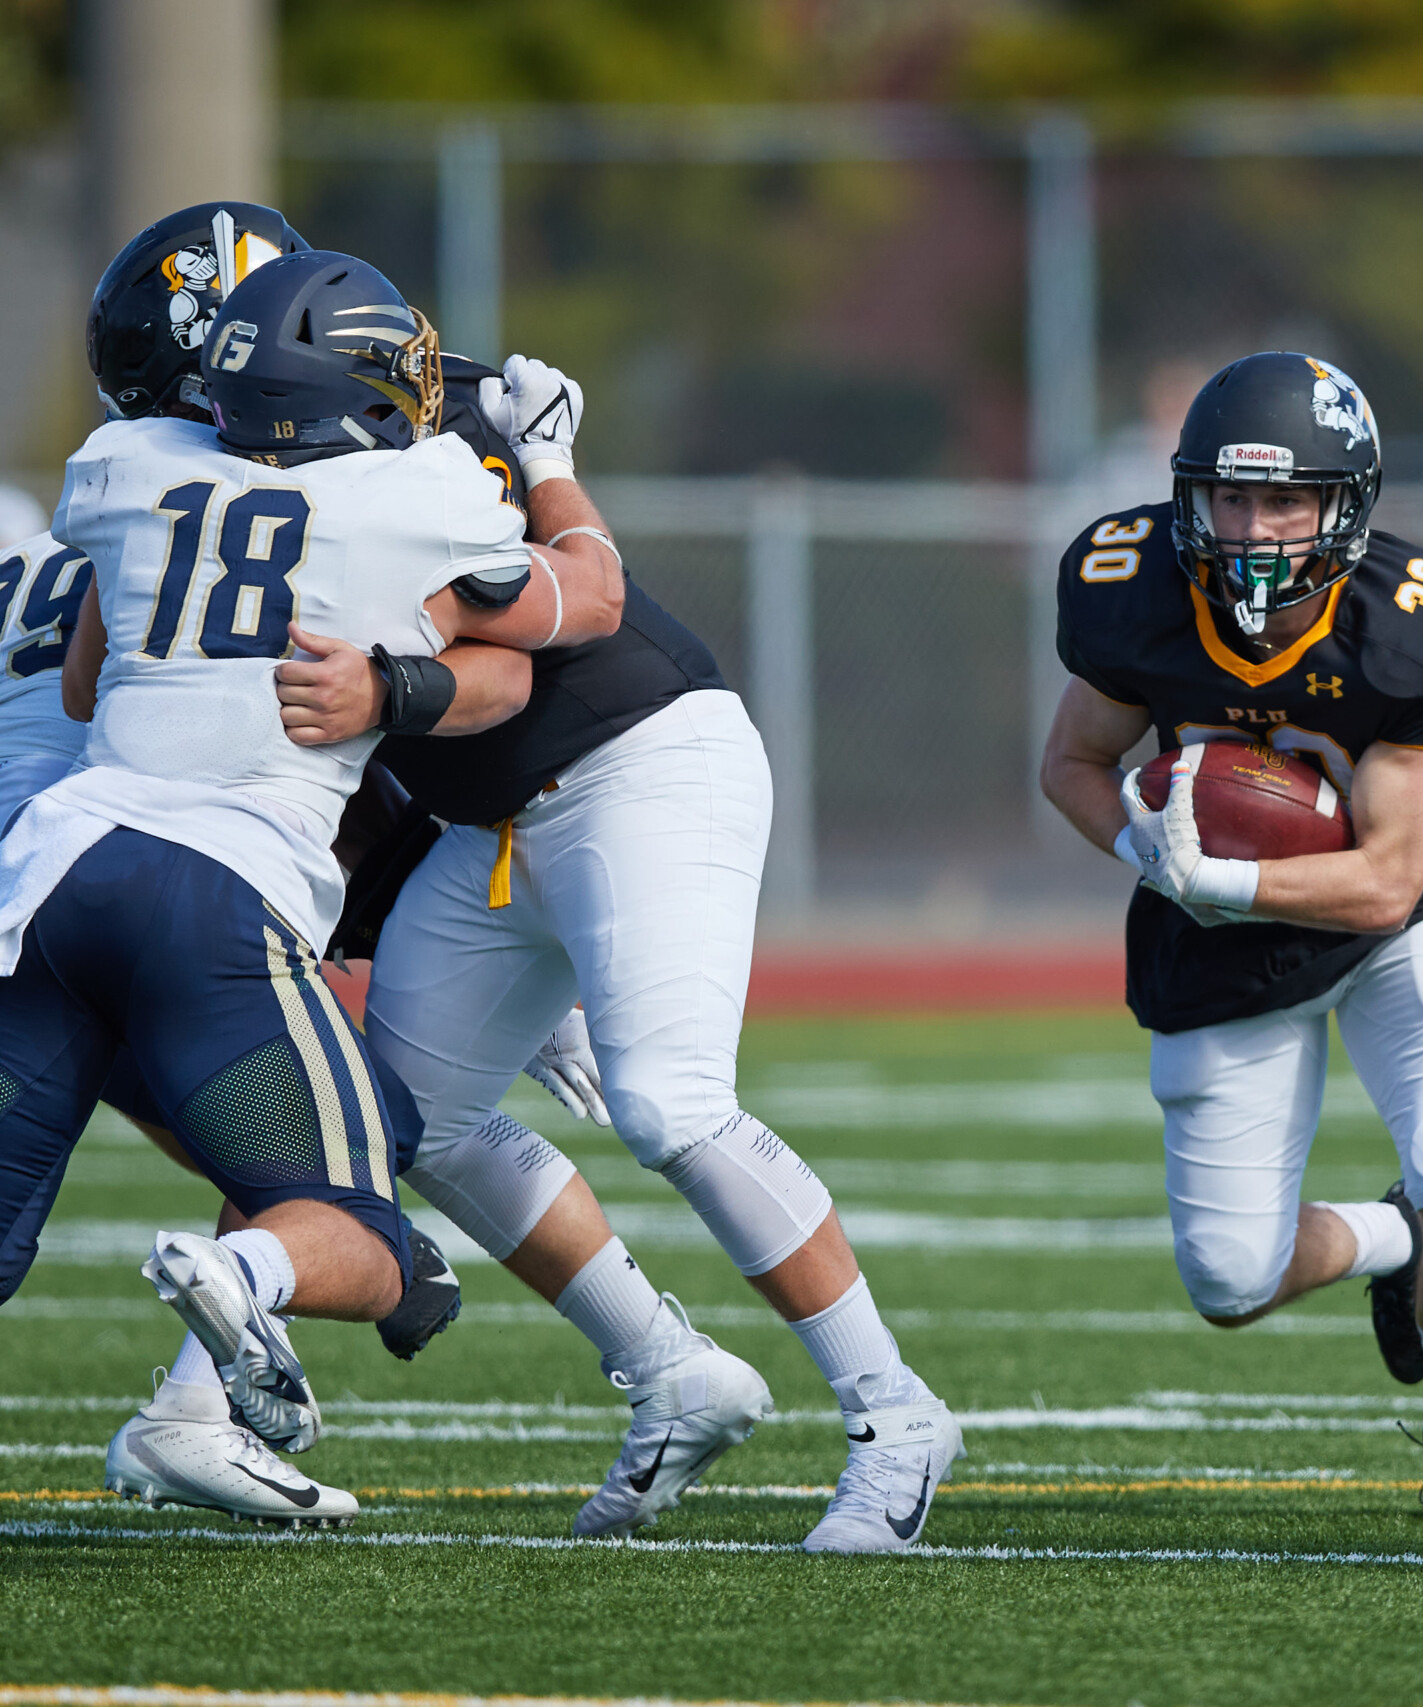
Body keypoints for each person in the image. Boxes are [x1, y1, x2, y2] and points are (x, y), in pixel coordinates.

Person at [255, 317, 964, 1559]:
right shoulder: (241, 480)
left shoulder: (433, 437)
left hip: (639, 762)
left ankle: (893, 1414)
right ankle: (669, 1368)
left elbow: (561, 623)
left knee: (670, 1105)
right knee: (409, 1116)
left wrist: (546, 467)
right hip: (485, 829)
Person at [0, 246, 615, 1522]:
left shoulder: (123, 470)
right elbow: (587, 603)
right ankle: (244, 1276)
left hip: (47, 878)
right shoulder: (420, 494)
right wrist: (550, 462)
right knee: (372, 1241)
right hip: (215, 897)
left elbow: (81, 685)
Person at [1039, 352, 1423, 1521]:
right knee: (1229, 1282)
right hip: (1216, 939)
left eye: (1286, 500)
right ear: (1189, 495)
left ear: (1344, 505)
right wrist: (1143, 854)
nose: (1254, 527)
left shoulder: (1418, 627)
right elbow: (1071, 764)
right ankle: (1386, 1243)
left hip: (1395, 919)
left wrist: (1223, 878)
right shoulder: (1130, 588)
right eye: (1231, 496)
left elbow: (1386, 882)